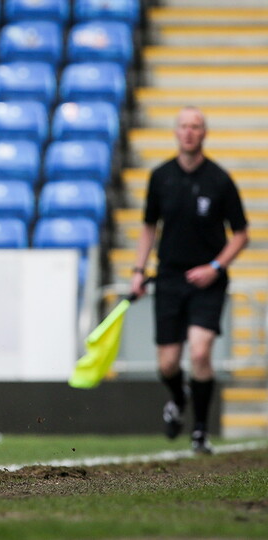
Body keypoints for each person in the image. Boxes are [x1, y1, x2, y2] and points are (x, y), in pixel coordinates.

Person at [130, 106, 248, 454]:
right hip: (168, 277)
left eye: (195, 126)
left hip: (207, 281)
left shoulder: (220, 180)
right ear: (176, 132)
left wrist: (216, 266)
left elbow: (241, 234)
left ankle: (199, 431)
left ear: (204, 133)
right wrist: (138, 271)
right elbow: (149, 226)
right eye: (183, 126)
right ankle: (178, 399)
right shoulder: (161, 177)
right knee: (167, 363)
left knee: (199, 353)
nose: (189, 132)